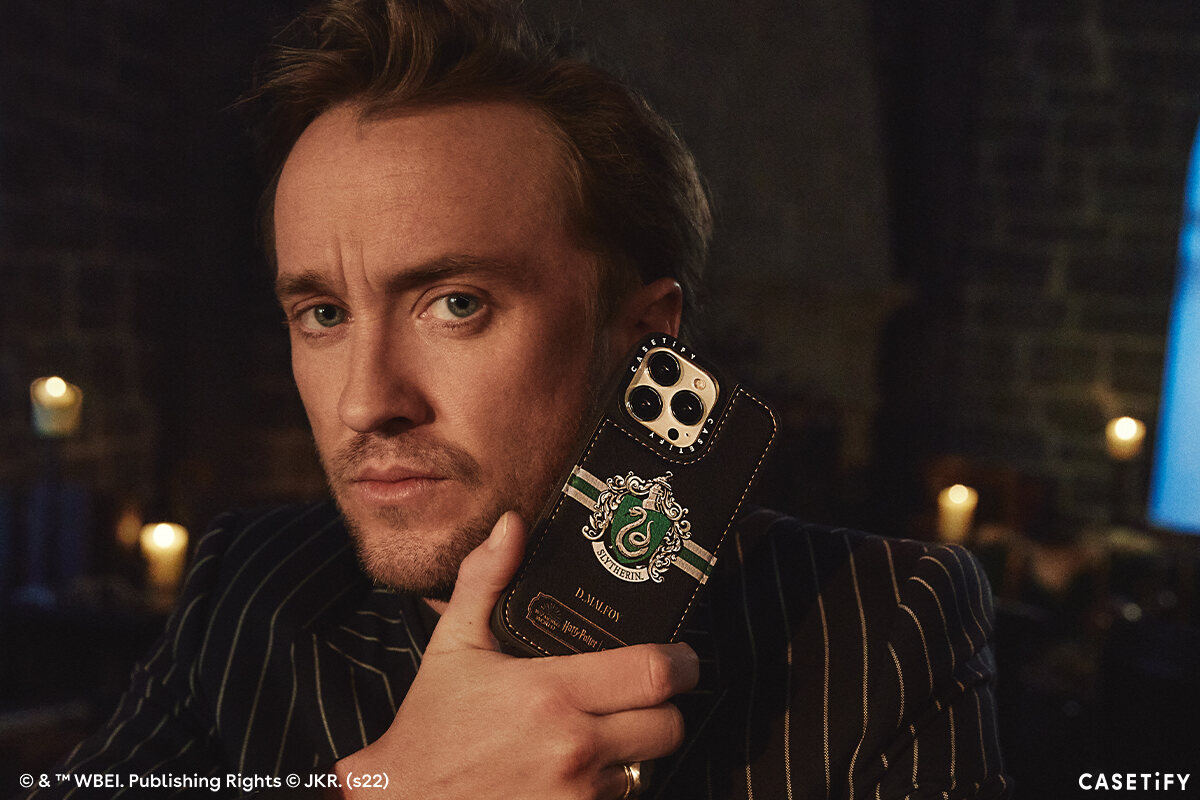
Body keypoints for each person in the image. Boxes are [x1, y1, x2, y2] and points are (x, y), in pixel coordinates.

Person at [32, 0, 1010, 797]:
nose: (368, 401)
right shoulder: (251, 583)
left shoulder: (881, 622)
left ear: (645, 336)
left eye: (455, 303)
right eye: (323, 313)